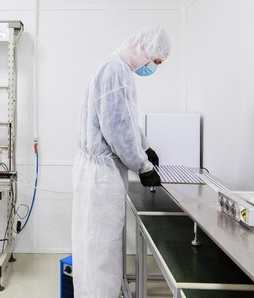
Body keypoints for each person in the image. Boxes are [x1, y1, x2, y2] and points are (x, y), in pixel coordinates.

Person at [72, 26, 169, 298]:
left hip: (96, 172)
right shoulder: (116, 71)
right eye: (157, 62)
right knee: (101, 251)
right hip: (101, 177)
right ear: (147, 50)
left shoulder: (117, 69)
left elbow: (126, 117)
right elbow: (117, 129)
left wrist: (146, 147)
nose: (154, 68)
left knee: (94, 248)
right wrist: (143, 165)